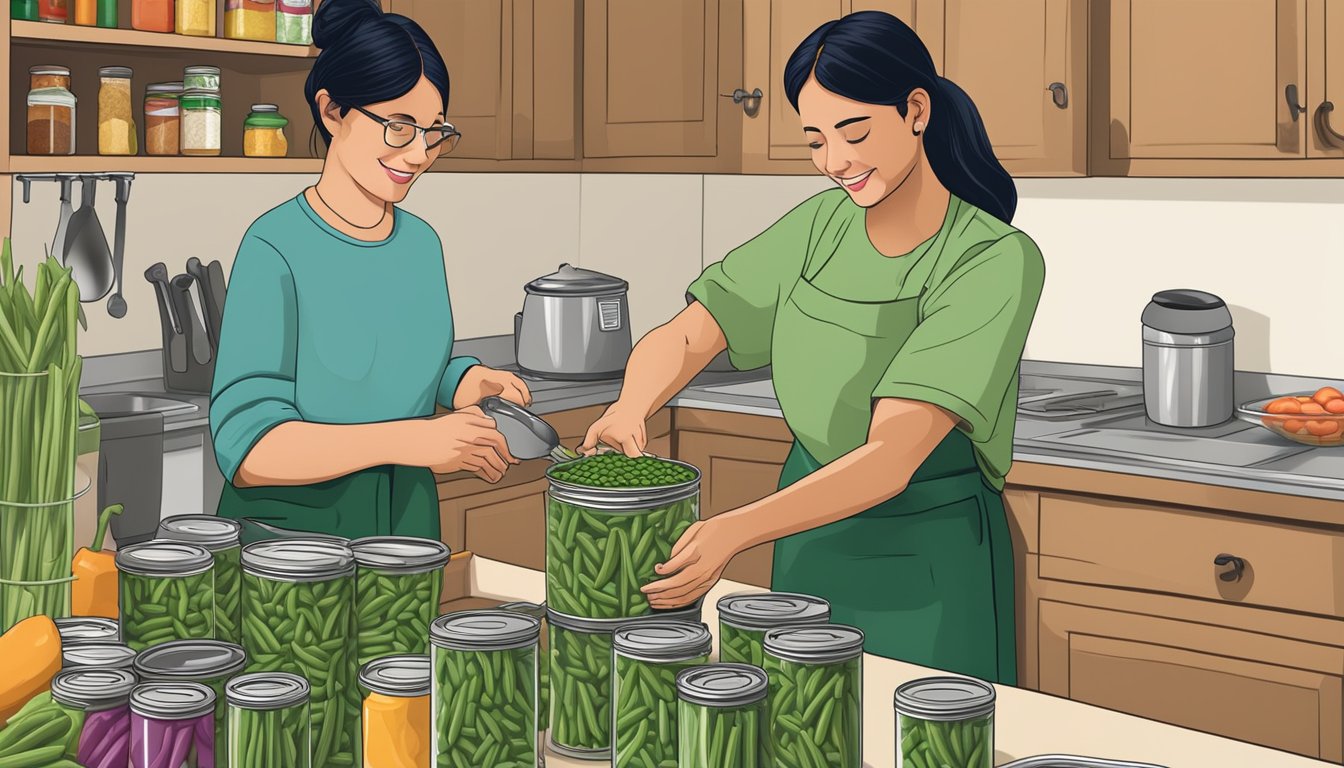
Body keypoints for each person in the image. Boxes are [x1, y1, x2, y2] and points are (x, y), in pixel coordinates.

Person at [581, 11, 1045, 684]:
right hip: (806, 536)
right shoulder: (819, 226)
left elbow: (891, 457)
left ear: (916, 110)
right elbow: (691, 330)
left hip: (928, 556)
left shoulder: (993, 259)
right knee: (798, 731)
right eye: (815, 141)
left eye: (853, 133)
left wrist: (732, 531)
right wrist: (631, 406)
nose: (835, 162)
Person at [209, 0, 527, 542]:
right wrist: (412, 442)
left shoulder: (420, 245)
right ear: (332, 111)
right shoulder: (274, 247)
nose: (419, 154)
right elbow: (248, 447)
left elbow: (390, 366)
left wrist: (462, 381)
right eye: (400, 128)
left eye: (434, 132)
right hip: (293, 555)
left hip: (405, 544)